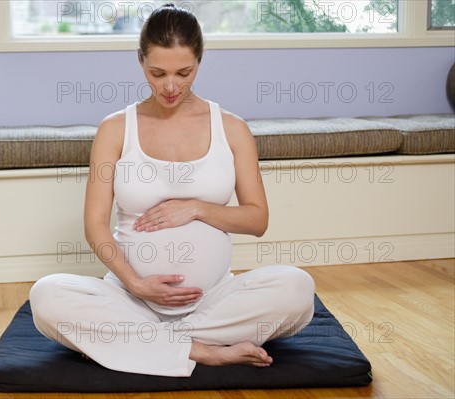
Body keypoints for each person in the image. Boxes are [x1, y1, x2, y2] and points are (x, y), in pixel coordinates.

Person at [30, 3, 315, 377]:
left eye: (184, 73)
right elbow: (95, 226)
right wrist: (136, 284)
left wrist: (197, 207)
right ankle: (205, 350)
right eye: (157, 72)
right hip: (129, 297)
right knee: (47, 296)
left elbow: (257, 219)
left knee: (296, 289)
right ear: (139, 60)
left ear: (200, 60)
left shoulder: (232, 128)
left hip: (214, 299)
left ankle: (129, 342)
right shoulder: (115, 129)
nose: (169, 86)